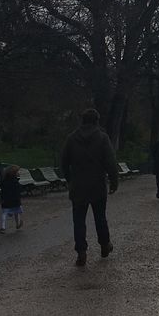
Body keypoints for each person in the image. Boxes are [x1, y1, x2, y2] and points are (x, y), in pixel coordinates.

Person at [60, 108, 121, 266]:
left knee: (79, 220)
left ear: (83, 120)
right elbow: (110, 162)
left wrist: (70, 179)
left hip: (78, 185)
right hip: (97, 185)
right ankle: (104, 244)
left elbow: (64, 162)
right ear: (96, 121)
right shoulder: (102, 138)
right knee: (100, 217)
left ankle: (81, 251)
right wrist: (114, 181)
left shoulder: (72, 138)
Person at [0, 164, 24, 233]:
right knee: (17, 212)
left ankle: (3, 227)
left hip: (6, 200)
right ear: (14, 173)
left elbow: (2, 190)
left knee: (4, 213)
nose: (19, 173)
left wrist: (2, 199)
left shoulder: (4, 181)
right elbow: (19, 189)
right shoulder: (15, 181)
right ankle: (17, 224)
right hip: (15, 200)